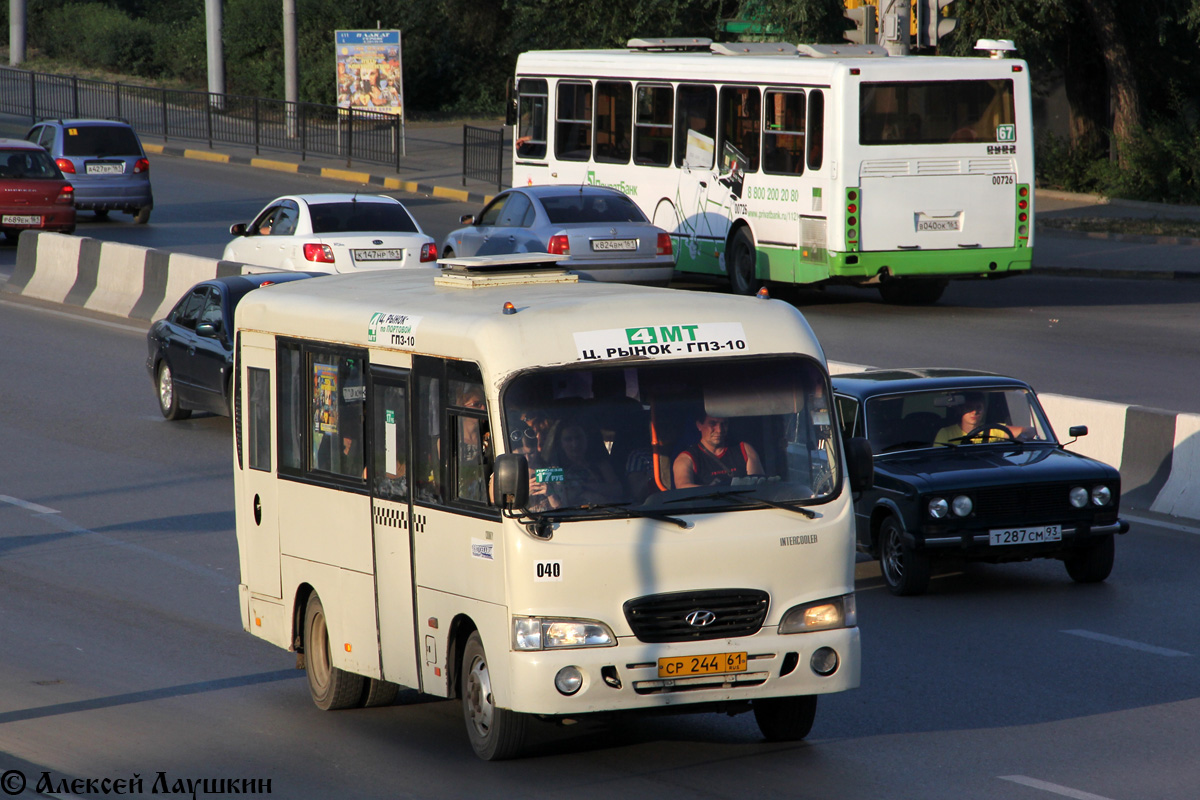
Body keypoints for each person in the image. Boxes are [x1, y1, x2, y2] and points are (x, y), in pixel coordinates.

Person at [673, 412, 764, 488]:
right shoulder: (686, 458)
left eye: (724, 424)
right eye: (712, 424)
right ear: (699, 425)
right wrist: (717, 492)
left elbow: (758, 484)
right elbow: (683, 487)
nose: (719, 430)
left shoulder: (744, 449)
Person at [558, 420, 622, 506]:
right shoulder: (556, 468)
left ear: (586, 439)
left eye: (578, 438)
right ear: (561, 444)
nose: (575, 444)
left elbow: (617, 490)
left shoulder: (600, 465)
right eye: (568, 439)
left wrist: (585, 487)